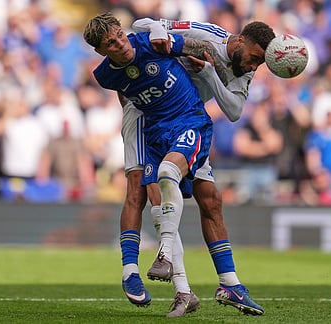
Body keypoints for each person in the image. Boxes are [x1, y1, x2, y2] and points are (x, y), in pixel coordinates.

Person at [126, 17, 274, 315]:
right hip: (150, 117)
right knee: (155, 196)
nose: (254, 67)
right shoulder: (204, 34)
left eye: (260, 63)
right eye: (255, 58)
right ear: (240, 40)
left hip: (189, 121)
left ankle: (229, 284)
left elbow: (233, 111)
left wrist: (209, 75)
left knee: (212, 201)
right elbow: (144, 25)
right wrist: (160, 33)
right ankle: (180, 288)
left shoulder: (244, 69)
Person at [83, 12, 216, 317]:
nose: (120, 44)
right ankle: (151, 276)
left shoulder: (150, 43)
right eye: (111, 44)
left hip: (184, 120)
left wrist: (172, 39)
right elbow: (123, 89)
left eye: (119, 35)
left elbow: (194, 47)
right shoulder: (104, 75)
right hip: (147, 125)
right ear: (101, 51)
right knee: (145, 197)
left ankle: (200, 281)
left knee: (200, 198)